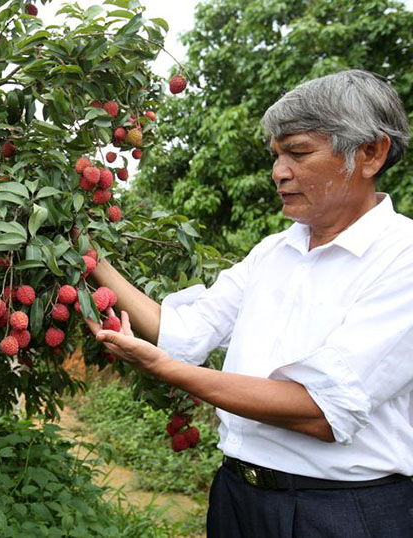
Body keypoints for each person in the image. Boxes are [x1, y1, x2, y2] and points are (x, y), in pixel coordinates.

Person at [86, 69, 413, 537]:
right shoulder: (273, 252)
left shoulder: (403, 258)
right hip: (237, 496)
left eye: (298, 152)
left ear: (370, 153)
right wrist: (91, 258)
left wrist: (163, 369)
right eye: (277, 155)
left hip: (341, 513)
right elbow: (186, 333)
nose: (279, 172)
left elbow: (318, 411)